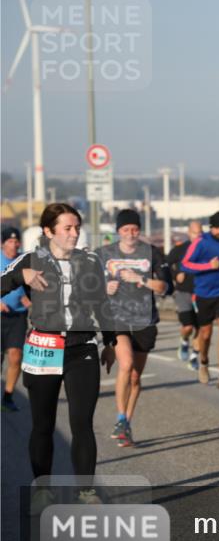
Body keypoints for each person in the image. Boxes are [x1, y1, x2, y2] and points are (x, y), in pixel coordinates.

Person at [1, 203, 117, 511]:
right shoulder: (31, 259)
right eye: (67, 228)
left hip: (82, 349)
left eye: (77, 227)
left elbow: (102, 302)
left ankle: (86, 491)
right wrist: (21, 274)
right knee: (43, 424)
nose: (74, 233)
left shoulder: (89, 261)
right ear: (48, 231)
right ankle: (42, 489)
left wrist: (111, 341)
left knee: (82, 423)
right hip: (44, 347)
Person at [96, 209, 172, 447]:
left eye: (135, 229)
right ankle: (120, 419)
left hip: (145, 320)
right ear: (118, 231)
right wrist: (104, 288)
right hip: (116, 318)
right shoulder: (103, 254)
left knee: (136, 377)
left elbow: (166, 287)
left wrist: (142, 280)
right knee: (126, 365)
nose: (130, 233)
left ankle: (126, 424)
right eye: (125, 229)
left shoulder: (152, 253)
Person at [182, 211, 219, 387]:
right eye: (217, 228)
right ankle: (204, 362)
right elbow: (185, 264)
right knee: (205, 334)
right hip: (204, 293)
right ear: (211, 228)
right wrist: (208, 266)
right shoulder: (201, 242)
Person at [166, 221, 203, 371]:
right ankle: (184, 340)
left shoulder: (207, 248)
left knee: (201, 329)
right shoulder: (180, 249)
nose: (198, 236)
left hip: (203, 293)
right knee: (188, 326)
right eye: (195, 233)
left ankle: (194, 356)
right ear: (189, 233)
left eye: (200, 233)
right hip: (183, 292)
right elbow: (165, 265)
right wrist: (176, 274)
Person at [1, 227, 30, 412]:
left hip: (18, 316)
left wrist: (31, 300)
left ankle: (8, 396)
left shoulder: (24, 260)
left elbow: (31, 285)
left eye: (16, 241)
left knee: (16, 356)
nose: (14, 244)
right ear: (3, 243)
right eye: (10, 241)